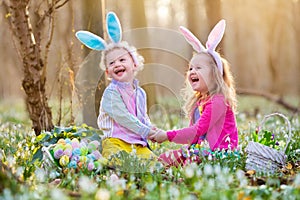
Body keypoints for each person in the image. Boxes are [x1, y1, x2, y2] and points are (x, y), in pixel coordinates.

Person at [149, 20, 239, 167]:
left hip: (222, 155)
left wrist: (166, 136)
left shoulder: (218, 101)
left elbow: (196, 131)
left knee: (187, 163)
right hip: (202, 151)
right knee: (165, 159)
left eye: (198, 67)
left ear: (215, 74)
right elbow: (196, 139)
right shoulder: (201, 101)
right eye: (190, 68)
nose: (192, 71)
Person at [75, 12, 156, 168]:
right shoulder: (111, 94)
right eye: (111, 63)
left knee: (153, 163)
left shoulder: (140, 93)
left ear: (134, 64)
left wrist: (150, 128)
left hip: (137, 142)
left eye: (122, 59)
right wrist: (147, 131)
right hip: (115, 140)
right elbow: (123, 117)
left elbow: (142, 116)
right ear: (107, 72)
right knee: (115, 159)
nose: (117, 64)